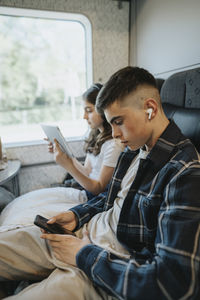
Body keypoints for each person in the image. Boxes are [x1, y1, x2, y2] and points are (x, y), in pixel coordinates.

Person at [0, 66, 200, 300]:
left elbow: (174, 284)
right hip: (84, 234)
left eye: (118, 122)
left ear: (150, 109)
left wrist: (82, 254)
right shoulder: (136, 147)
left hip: (109, 262)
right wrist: (76, 216)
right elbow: (112, 199)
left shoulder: (185, 172)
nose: (114, 134)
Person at [0, 83, 123, 227]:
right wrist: (66, 156)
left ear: (103, 111)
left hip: (92, 198)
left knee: (26, 215)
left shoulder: (114, 145)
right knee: (21, 202)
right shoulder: (97, 137)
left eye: (88, 110)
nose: (84, 116)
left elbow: (98, 188)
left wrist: (68, 165)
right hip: (85, 191)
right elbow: (87, 172)